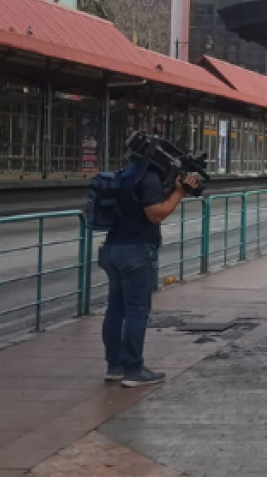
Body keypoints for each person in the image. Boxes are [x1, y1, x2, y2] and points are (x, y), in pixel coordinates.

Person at [100, 158, 200, 387]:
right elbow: (155, 214)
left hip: (112, 248)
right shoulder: (149, 178)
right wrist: (179, 192)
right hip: (136, 251)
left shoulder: (126, 173)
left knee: (115, 310)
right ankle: (134, 369)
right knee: (137, 310)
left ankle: (114, 366)